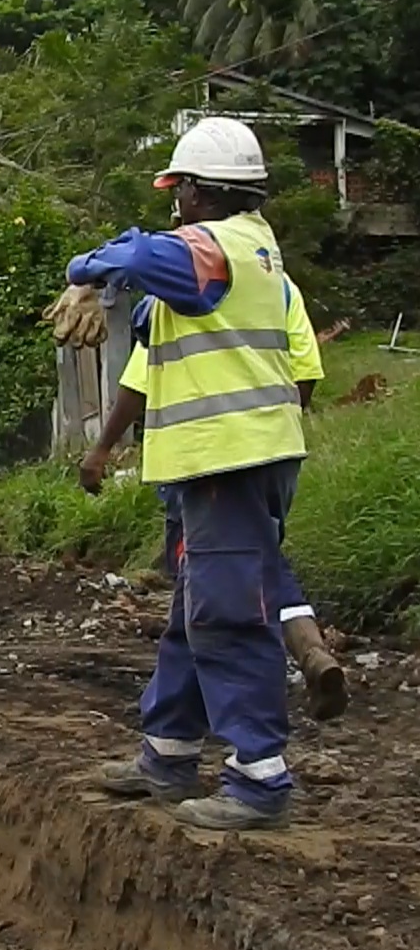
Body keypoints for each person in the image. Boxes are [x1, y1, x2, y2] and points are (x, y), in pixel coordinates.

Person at [44, 116, 305, 832]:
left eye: (179, 189)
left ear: (199, 190)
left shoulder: (211, 249)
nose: (175, 203)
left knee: (228, 617)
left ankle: (259, 780)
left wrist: (83, 273)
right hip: (223, 460)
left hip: (229, 460)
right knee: (196, 616)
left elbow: (134, 253)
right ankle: (168, 753)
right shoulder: (251, 250)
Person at [82, 276, 348, 722]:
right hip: (273, 456)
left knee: (202, 585)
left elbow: (138, 383)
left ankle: (230, 737)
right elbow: (305, 377)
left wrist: (102, 448)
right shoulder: (278, 287)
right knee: (257, 558)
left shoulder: (180, 285)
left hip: (199, 462)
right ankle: (308, 649)